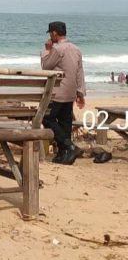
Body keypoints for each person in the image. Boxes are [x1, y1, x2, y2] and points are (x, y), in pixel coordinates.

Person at [41, 21, 86, 165]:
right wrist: (80, 93)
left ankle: (68, 145)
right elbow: (80, 73)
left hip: (57, 93)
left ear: (54, 33)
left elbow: (46, 66)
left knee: (47, 119)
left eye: (50, 33)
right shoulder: (76, 49)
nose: (50, 36)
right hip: (71, 92)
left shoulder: (57, 49)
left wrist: (47, 50)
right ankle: (64, 154)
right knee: (65, 121)